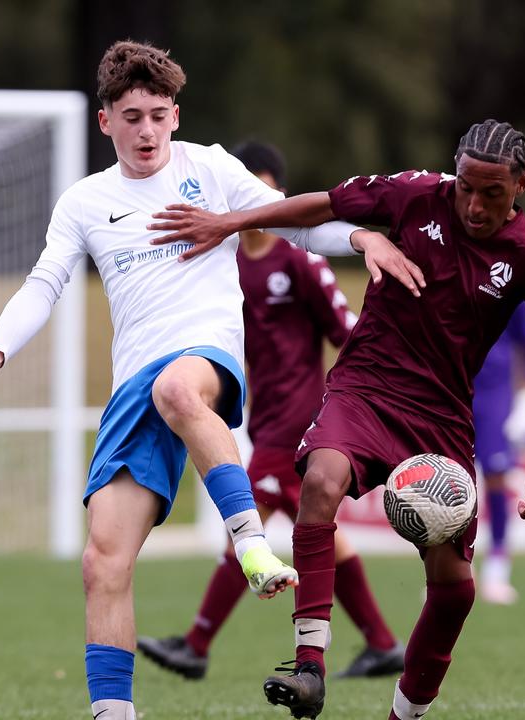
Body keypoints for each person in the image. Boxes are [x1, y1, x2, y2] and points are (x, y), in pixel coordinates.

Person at [0, 41, 424, 720]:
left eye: (157, 115)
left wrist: (363, 240)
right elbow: (43, 284)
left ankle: (254, 548)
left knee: (178, 389)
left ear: (176, 115)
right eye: (131, 116)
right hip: (132, 388)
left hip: (205, 357)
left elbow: (293, 221)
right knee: (102, 563)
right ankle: (114, 715)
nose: (146, 130)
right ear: (105, 122)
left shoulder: (210, 167)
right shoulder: (84, 202)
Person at [148, 119, 525, 719]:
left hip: (442, 416)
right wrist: (230, 222)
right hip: (366, 387)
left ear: (522, 187)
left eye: (494, 194)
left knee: (455, 589)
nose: (475, 206)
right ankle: (309, 668)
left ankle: (403, 714)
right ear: (453, 172)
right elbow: (316, 208)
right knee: (321, 484)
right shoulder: (413, 193)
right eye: (466, 187)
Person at [137, 141, 405, 682]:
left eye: (262, 192)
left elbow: (343, 328)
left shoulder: (299, 260)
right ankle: (381, 642)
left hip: (302, 422)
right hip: (263, 419)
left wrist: (369, 393)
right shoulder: (227, 263)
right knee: (316, 533)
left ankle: (196, 644)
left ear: (277, 196)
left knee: (247, 527)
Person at [473, 301, 525, 605]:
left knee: (496, 476)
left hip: (495, 393)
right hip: (451, 387)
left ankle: (497, 570)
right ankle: (451, 572)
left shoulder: (510, 275)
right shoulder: (446, 268)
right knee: (447, 478)